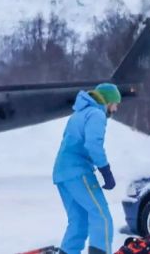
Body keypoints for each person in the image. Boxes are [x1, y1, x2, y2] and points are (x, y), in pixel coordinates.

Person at [52, 83, 122, 254]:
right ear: (108, 101)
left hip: (62, 173)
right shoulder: (96, 114)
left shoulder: (79, 113)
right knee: (102, 217)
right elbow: (93, 144)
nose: (116, 108)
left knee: (79, 221)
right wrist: (106, 171)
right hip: (78, 172)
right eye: (115, 104)